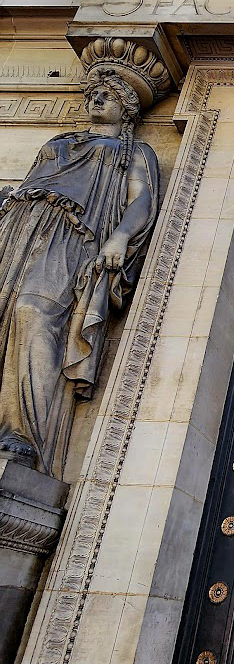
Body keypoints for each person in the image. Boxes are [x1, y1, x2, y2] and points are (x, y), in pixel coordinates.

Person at [0, 72, 159, 477]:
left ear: (126, 109)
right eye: (94, 93)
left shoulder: (133, 151)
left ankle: (22, 434)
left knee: (33, 314)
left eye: (109, 95)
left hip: (74, 240)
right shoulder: (57, 143)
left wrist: (120, 238)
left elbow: (140, 201)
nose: (98, 98)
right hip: (22, 231)